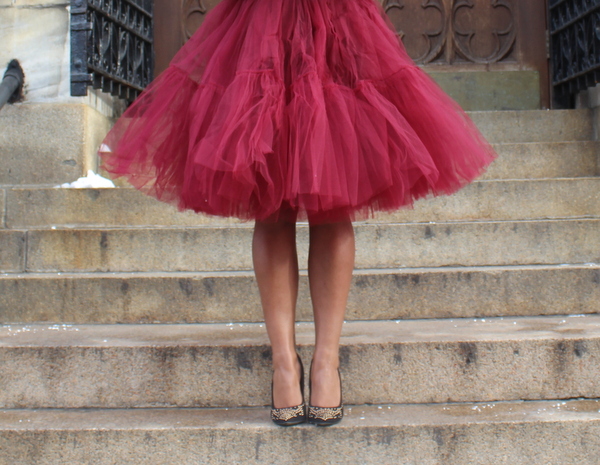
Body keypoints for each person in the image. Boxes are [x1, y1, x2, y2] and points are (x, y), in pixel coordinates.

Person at [99, 0, 496, 427]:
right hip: (260, 23)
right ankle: (284, 363)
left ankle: (326, 361)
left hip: (335, 21)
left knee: (334, 196)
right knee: (269, 201)